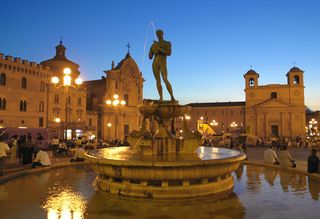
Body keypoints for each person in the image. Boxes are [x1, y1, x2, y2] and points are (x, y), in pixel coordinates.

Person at [149, 29, 175, 102]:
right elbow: (150, 57)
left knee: (165, 79)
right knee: (158, 81)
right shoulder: (154, 44)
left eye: (160, 33)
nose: (158, 35)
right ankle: (161, 98)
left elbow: (169, 53)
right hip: (155, 63)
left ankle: (172, 97)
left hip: (162, 62)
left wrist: (159, 49)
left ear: (162, 34)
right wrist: (152, 48)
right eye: (157, 34)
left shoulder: (167, 43)